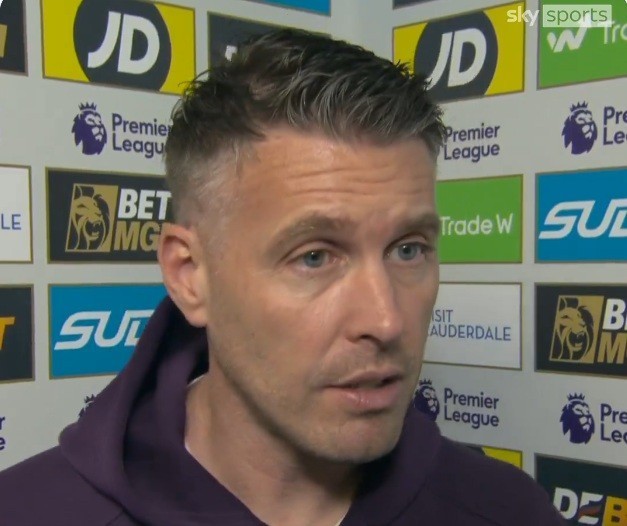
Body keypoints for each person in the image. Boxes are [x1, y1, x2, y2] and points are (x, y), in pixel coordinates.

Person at [0, 30, 565, 526]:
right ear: (190, 275)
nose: (386, 320)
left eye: (408, 249)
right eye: (315, 257)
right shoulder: (27, 513)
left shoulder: (509, 511)